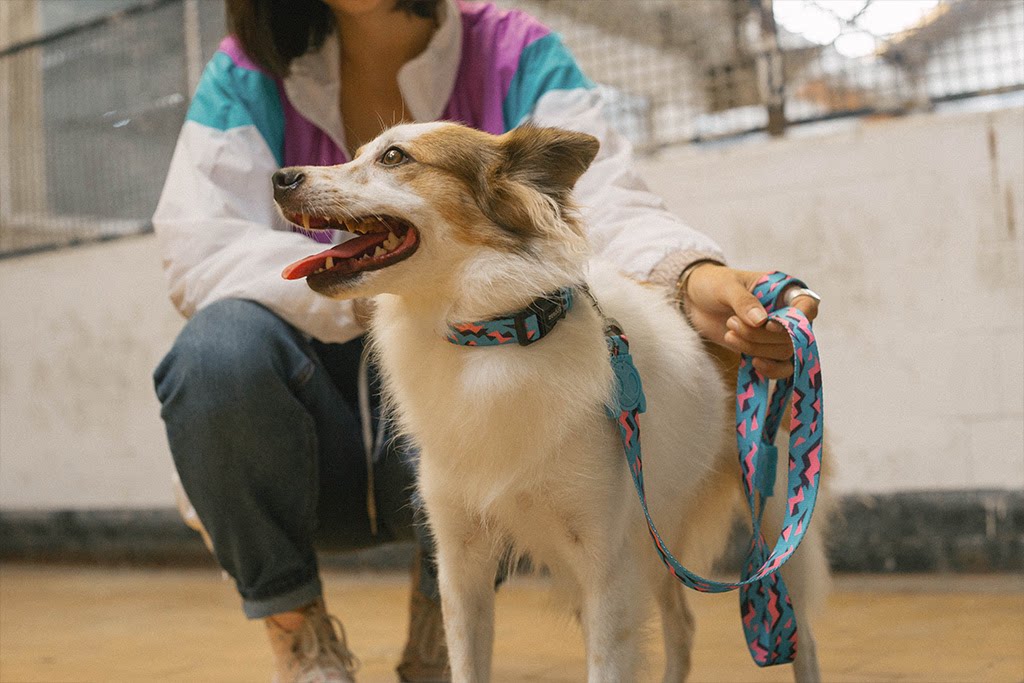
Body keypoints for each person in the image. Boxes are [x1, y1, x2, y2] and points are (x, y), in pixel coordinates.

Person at [151, 0, 821, 681]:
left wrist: (689, 272)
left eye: (392, 160)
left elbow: (602, 202)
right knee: (216, 351)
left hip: (480, 394)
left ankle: (435, 633)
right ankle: (302, 641)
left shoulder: (512, 46)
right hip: (316, 431)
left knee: (502, 394)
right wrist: (393, 282)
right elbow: (198, 243)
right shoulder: (246, 69)